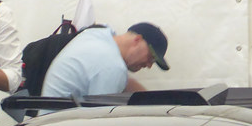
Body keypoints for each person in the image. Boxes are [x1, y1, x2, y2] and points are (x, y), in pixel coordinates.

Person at [41, 22, 170, 101]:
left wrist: (152, 101)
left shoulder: (97, 34)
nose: (148, 65)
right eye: (150, 57)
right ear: (137, 40)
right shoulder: (112, 66)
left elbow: (124, 82)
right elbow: (102, 124)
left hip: (48, 124)